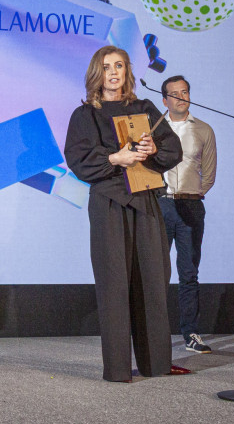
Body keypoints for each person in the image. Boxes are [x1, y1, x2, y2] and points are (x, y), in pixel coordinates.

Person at [63, 46, 188, 382]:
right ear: (96, 73)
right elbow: (77, 160)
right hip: (109, 203)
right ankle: (118, 368)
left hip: (145, 201)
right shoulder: (85, 114)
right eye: (107, 67)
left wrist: (153, 148)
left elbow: (173, 149)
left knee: (152, 281)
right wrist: (114, 159)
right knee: (114, 284)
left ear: (127, 71)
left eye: (119, 66)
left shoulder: (144, 108)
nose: (114, 72)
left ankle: (157, 363)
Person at [155, 75, 217, 354]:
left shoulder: (204, 129)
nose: (181, 97)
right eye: (175, 94)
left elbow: (209, 174)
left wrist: (191, 193)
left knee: (189, 273)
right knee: (155, 272)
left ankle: (190, 333)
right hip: (160, 205)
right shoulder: (153, 129)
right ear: (164, 100)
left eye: (185, 92)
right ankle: (153, 333)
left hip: (191, 206)